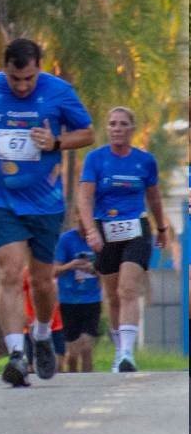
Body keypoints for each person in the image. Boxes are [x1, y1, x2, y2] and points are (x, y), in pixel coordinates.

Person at [0, 37, 93, 387]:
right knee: (9, 272)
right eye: (14, 79)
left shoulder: (59, 91)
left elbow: (87, 132)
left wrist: (56, 142)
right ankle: (16, 355)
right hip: (2, 199)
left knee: (41, 281)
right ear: (4, 69)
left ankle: (41, 334)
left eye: (29, 79)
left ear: (40, 68)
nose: (22, 86)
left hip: (45, 203)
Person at [78, 106, 169, 372]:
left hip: (136, 229)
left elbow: (154, 197)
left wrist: (161, 228)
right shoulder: (95, 159)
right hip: (104, 229)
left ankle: (127, 354)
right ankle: (119, 349)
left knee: (128, 289)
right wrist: (91, 230)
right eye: (112, 124)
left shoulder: (145, 161)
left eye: (122, 124)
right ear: (107, 128)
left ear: (132, 129)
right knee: (113, 295)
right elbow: (85, 197)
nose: (117, 128)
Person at [53, 222, 101, 373]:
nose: (85, 226)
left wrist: (94, 269)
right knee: (73, 354)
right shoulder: (66, 239)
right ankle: (74, 381)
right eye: (81, 221)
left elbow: (108, 270)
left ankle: (90, 382)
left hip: (92, 299)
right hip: (68, 300)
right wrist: (72, 265)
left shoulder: (99, 238)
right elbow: (54, 271)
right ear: (76, 219)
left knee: (86, 348)